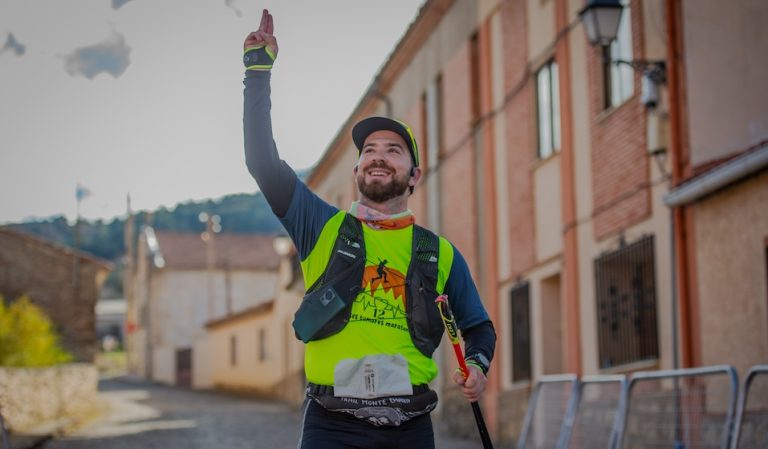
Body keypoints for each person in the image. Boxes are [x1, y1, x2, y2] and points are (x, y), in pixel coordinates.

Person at [243, 9, 496, 449]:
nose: (379, 155)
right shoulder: (321, 226)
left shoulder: (439, 253)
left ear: (414, 175)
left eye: (394, 150)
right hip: (330, 424)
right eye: (370, 150)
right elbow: (262, 162)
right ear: (357, 170)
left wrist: (477, 365)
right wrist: (258, 72)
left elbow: (479, 326)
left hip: (412, 425)